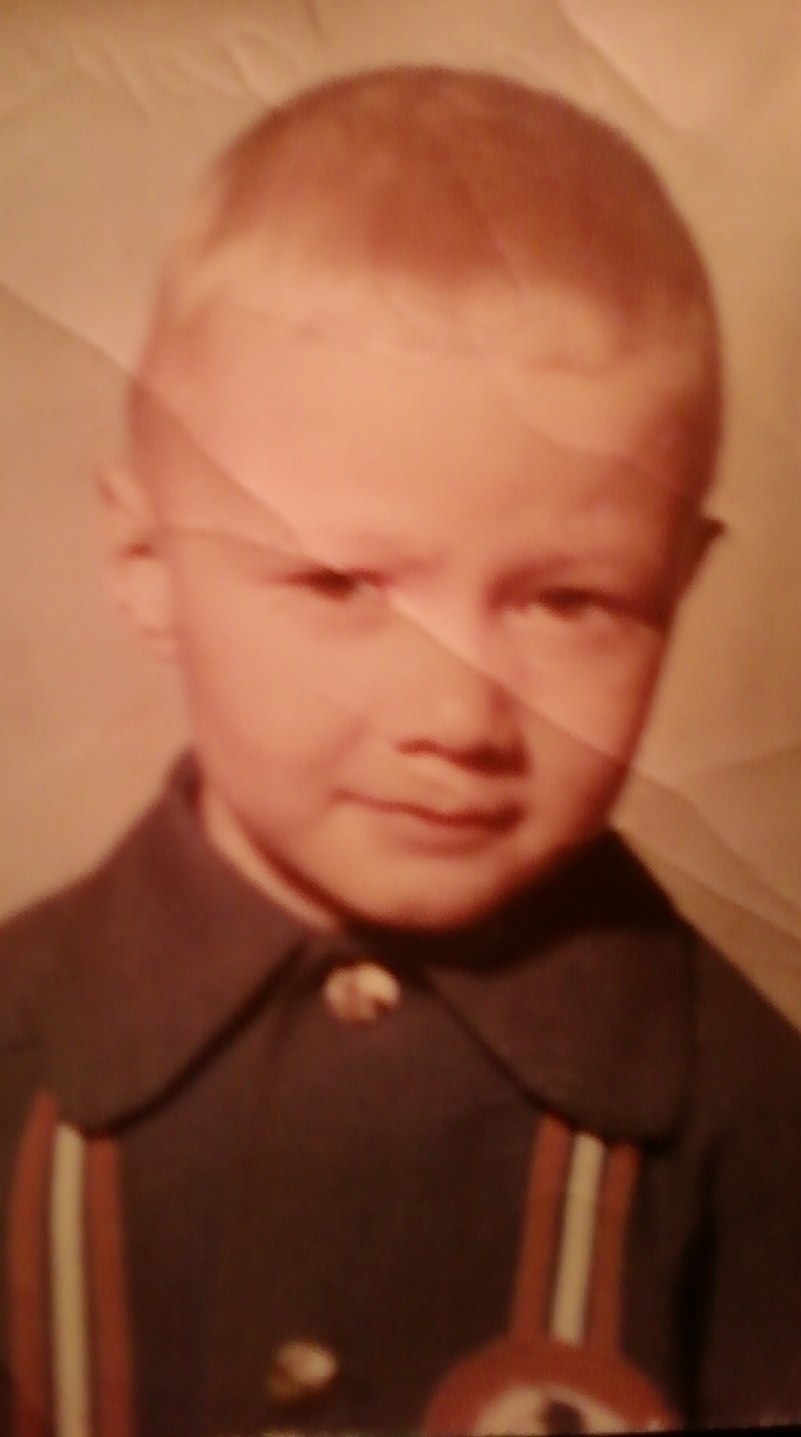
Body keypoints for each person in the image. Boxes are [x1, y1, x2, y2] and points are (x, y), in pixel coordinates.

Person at [2, 65, 801, 1437]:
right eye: (340, 585)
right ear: (146, 564)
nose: (457, 715)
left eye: (571, 602)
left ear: (677, 584)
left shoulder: (750, 1118)